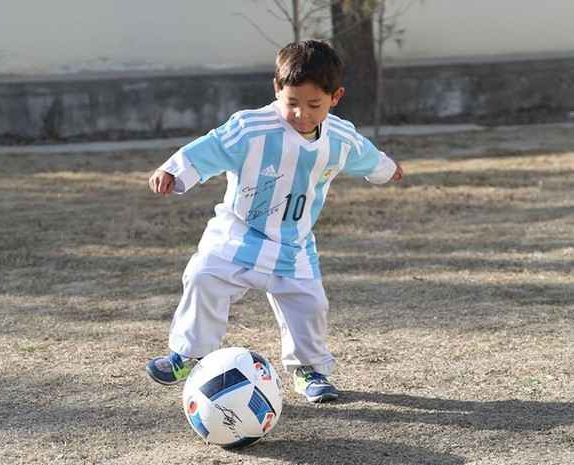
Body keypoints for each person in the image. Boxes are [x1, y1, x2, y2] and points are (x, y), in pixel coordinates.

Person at [146, 39, 403, 403]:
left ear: (336, 97)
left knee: (309, 305)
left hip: (292, 243)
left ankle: (309, 369)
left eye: (314, 105)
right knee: (203, 277)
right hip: (237, 235)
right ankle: (189, 355)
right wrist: (172, 170)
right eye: (292, 103)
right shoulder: (251, 128)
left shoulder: (340, 138)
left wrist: (388, 169)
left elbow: (366, 155)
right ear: (276, 89)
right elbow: (210, 147)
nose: (301, 114)